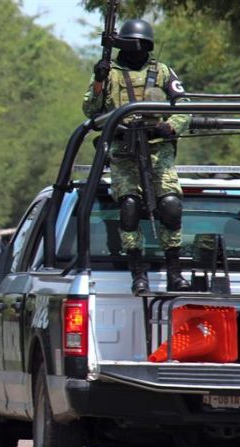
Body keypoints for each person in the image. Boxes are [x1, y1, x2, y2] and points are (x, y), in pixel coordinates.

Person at [83, 19, 191, 295]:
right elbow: (90, 110)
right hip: (124, 152)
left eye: (141, 46)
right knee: (129, 207)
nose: (138, 51)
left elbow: (185, 106)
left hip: (158, 150)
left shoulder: (162, 71)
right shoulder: (109, 74)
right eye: (134, 45)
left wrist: (171, 127)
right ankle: (138, 272)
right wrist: (98, 80)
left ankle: (175, 272)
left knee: (170, 206)